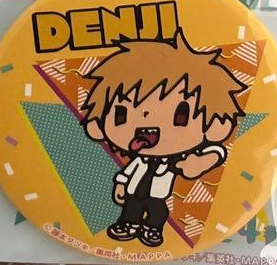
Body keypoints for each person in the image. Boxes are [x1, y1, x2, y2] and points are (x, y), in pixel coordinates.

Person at [82, 32, 245, 248]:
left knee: (157, 210)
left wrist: (200, 162)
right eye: (122, 115)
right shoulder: (140, 160)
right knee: (131, 207)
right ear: (98, 125)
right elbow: (128, 173)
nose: (145, 125)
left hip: (158, 194)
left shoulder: (177, 160)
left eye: (180, 115)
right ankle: (129, 224)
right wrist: (120, 185)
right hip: (134, 190)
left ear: (216, 125)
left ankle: (152, 228)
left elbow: (215, 152)